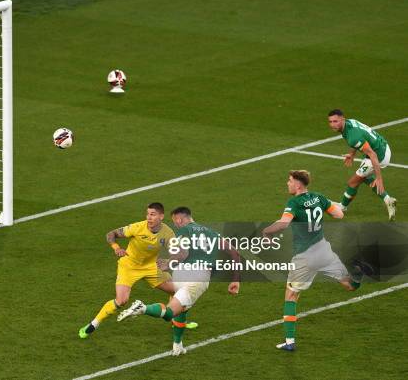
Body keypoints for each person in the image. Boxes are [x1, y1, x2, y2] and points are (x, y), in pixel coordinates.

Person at [263, 170, 371, 351]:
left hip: (305, 257)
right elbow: (339, 215)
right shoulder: (319, 198)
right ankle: (358, 272)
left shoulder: (294, 203)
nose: (287, 184)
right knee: (349, 285)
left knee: (291, 295)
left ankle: (289, 342)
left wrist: (266, 231)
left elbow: (283, 223)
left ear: (298, 185)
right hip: (324, 251)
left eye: (289, 181)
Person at [118, 206, 240, 356]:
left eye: (175, 221)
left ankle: (178, 344)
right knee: (170, 312)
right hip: (198, 277)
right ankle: (143, 308)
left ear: (180, 219)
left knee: (182, 309)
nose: (175, 225)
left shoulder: (183, 231)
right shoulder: (213, 233)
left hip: (180, 274)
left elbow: (182, 253)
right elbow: (234, 252)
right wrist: (235, 279)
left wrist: (169, 263)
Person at [79, 203, 179, 339]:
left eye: (153, 214)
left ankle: (176, 320)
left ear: (161, 216)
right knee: (121, 301)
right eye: (147, 214)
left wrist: (168, 263)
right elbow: (111, 234)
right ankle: (93, 324)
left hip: (151, 267)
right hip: (129, 266)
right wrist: (116, 247)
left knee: (177, 291)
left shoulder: (168, 233)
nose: (149, 218)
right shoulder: (137, 227)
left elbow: (177, 252)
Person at [327, 109, 396, 220]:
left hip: (379, 155)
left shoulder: (353, 137)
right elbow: (359, 141)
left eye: (335, 121)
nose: (332, 125)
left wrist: (379, 179)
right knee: (364, 177)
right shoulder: (350, 123)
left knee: (352, 182)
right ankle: (388, 200)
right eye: (330, 122)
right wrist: (352, 154)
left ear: (342, 119)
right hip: (383, 145)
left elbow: (372, 155)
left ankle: (343, 207)